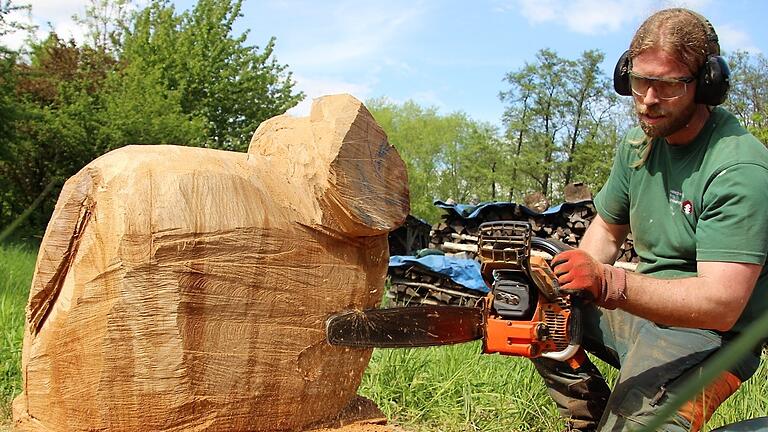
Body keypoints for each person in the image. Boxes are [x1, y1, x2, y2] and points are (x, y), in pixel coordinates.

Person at [534, 8, 768, 432]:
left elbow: (722, 305)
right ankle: (588, 418)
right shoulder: (639, 145)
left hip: (712, 336)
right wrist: (564, 283)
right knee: (532, 312)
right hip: (645, 310)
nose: (648, 99)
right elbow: (606, 229)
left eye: (668, 85)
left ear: (707, 85)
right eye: (640, 82)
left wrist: (608, 283)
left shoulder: (739, 170)